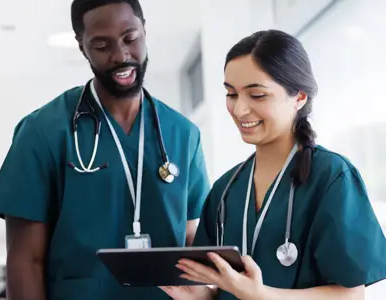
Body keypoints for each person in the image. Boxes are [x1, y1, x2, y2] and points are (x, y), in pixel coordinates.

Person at [0, 0, 210, 299]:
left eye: (130, 38)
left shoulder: (183, 134)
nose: (121, 55)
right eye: (102, 45)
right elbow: (25, 260)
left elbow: (192, 237)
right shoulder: (44, 131)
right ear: (82, 46)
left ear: (144, 31)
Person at [160, 29, 386, 300]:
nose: (240, 110)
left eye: (257, 95)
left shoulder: (332, 177)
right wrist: (199, 298)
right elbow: (221, 290)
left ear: (299, 97)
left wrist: (261, 295)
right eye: (231, 94)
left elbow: (350, 296)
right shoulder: (225, 191)